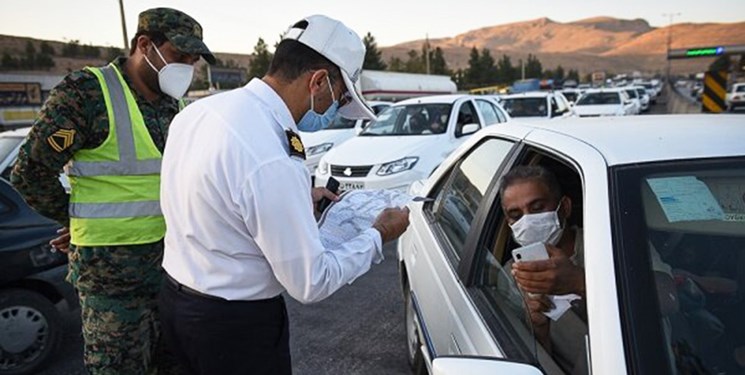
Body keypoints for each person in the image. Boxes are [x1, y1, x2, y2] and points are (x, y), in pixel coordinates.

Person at [157, 14, 410, 375]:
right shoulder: (273, 155)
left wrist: (296, 199)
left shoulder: (199, 113)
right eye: (339, 98)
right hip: (236, 329)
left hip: (177, 303)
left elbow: (214, 199)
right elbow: (311, 282)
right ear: (318, 81)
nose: (334, 110)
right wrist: (378, 234)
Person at [10, 7, 214, 374]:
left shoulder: (177, 106)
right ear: (144, 45)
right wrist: (73, 215)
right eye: (178, 56)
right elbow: (30, 172)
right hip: (113, 286)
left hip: (174, 275)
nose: (187, 66)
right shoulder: (87, 93)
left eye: (193, 59)